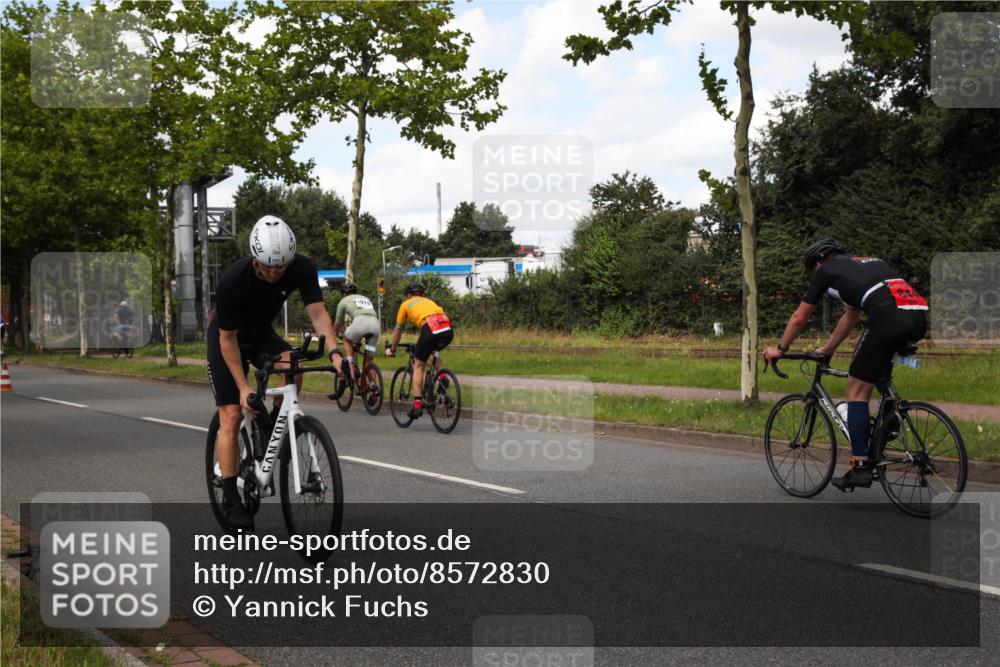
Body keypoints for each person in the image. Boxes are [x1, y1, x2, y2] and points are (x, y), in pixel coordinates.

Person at [763, 239, 928, 491]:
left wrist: (780, 348)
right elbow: (850, 316)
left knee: (856, 389)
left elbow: (800, 317)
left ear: (818, 262)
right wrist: (828, 349)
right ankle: (890, 419)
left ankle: (860, 466)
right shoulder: (866, 263)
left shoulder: (825, 271)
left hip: (888, 318)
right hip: (917, 317)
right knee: (873, 367)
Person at [207, 215, 339, 529]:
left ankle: (272, 428)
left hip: (262, 333)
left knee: (291, 362)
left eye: (281, 267)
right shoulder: (232, 280)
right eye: (267, 267)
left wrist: (335, 353)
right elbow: (227, 339)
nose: (274, 273)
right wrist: (242, 388)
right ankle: (230, 494)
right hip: (227, 339)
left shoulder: (302, 267)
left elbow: (318, 313)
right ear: (255, 259)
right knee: (231, 415)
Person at [386, 282, 453, 419]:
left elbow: (398, 330)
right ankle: (442, 377)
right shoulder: (429, 301)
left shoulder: (405, 304)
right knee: (432, 352)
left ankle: (417, 405)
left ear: (408, 295)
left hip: (429, 327)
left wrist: (392, 349)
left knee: (418, 365)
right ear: (422, 294)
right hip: (447, 328)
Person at [331, 281, 380, 392]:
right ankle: (373, 387)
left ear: (343, 294)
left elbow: (338, 324)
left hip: (360, 324)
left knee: (346, 339)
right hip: (375, 327)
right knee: (369, 361)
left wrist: (333, 336)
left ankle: (350, 363)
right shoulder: (365, 298)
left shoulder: (343, 301)